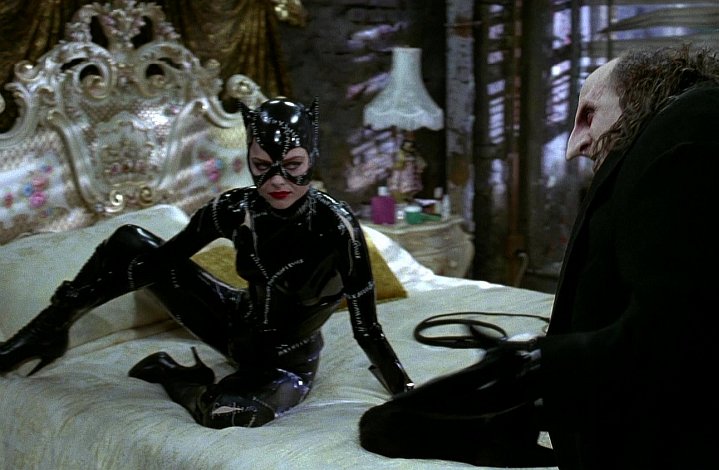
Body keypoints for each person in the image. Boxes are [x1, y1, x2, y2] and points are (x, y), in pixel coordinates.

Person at [359, 44, 719, 469]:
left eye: (589, 114)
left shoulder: (699, 125)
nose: (574, 147)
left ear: (643, 90)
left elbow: (676, 340)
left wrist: (530, 367)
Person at [0, 97, 414, 428]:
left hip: (284, 362)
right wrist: (73, 302)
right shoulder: (233, 209)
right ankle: (46, 332)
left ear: (312, 156)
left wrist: (406, 396)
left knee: (226, 413)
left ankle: (178, 378)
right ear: (248, 158)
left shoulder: (338, 228)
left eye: (292, 166)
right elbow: (154, 265)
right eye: (261, 166)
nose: (277, 181)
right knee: (130, 241)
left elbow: (367, 328)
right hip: (233, 323)